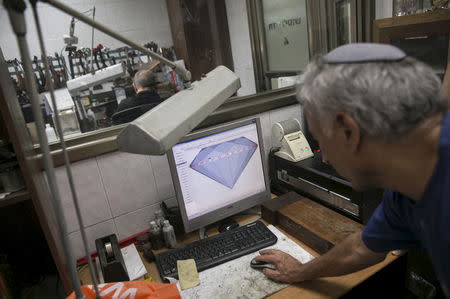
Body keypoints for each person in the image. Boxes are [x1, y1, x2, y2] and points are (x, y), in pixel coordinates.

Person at [255, 43, 450, 297]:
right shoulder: (403, 189)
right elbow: (362, 248)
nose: (324, 158)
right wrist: (300, 271)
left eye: (321, 141)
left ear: (349, 131)